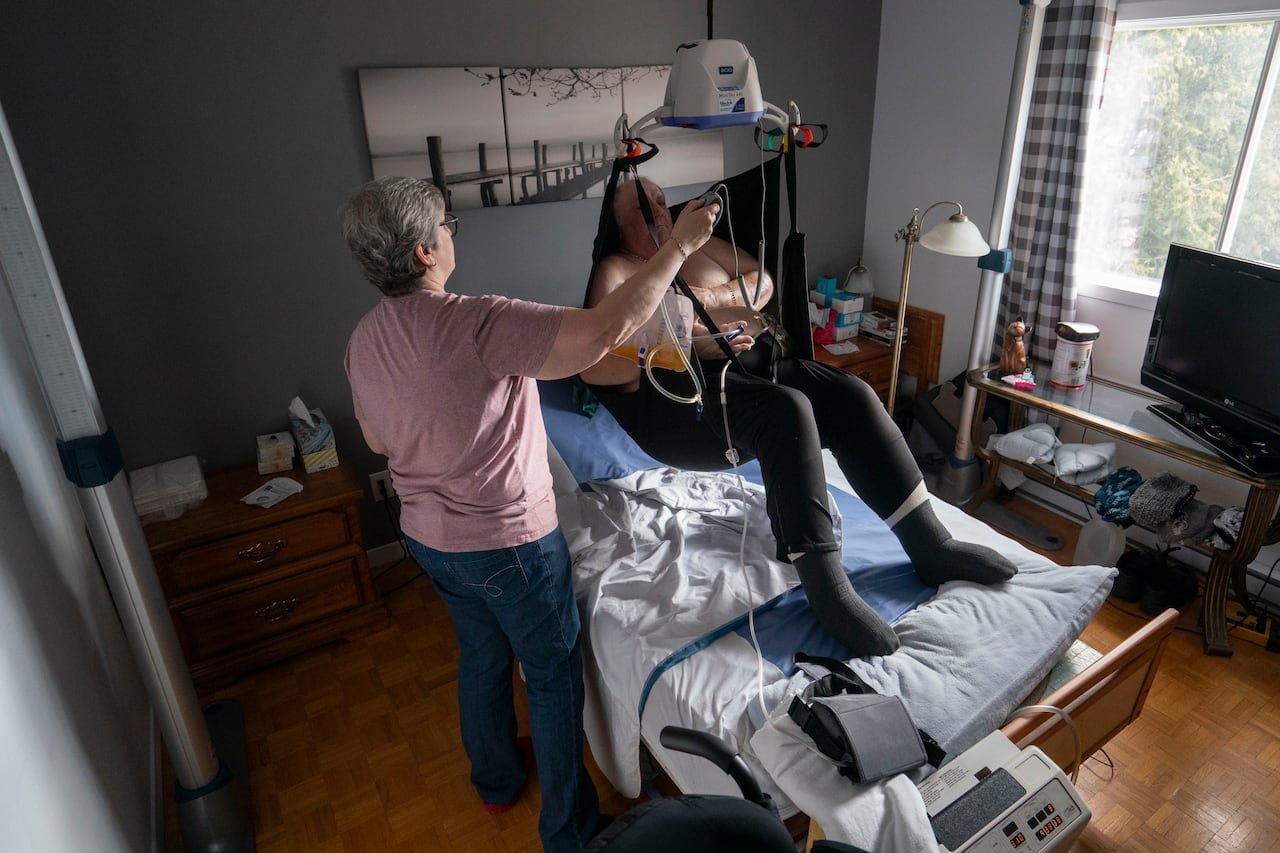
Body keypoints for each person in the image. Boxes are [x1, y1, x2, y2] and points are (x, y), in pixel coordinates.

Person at [341, 176, 718, 852]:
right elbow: (607, 332)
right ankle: (570, 833)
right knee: (549, 676)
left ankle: (493, 779)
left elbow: (375, 439)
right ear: (426, 252)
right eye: (446, 223)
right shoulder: (478, 321)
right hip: (509, 544)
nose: (453, 230)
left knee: (481, 652)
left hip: (428, 540)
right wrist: (681, 244)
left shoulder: (364, 338)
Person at [581, 176, 1018, 658]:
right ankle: (827, 591)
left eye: (661, 201)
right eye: (642, 209)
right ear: (617, 226)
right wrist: (682, 334)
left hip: (755, 367)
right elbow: (600, 361)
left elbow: (762, 282)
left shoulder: (701, 250)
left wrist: (710, 301)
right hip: (686, 408)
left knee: (849, 393)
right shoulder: (618, 271)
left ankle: (930, 544)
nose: (659, 212)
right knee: (786, 411)